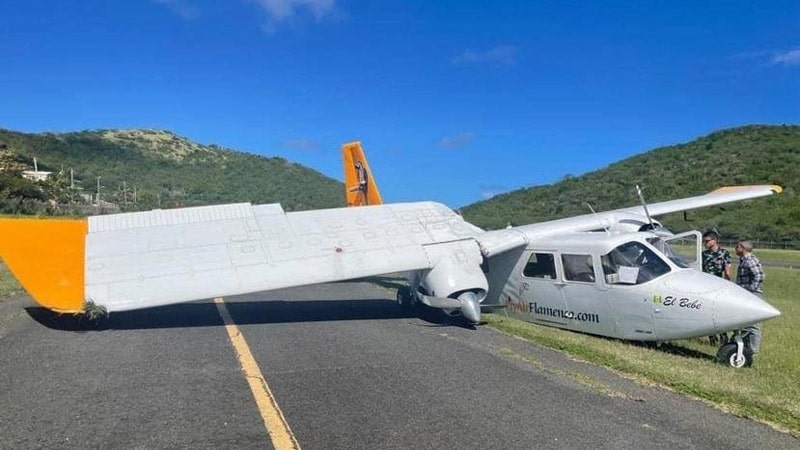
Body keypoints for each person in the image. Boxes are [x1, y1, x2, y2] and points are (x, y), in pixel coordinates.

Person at [701, 230, 731, 345]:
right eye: (704, 241)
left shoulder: (724, 253)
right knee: (707, 313)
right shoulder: (704, 254)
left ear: (714, 240)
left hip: (718, 286)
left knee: (719, 313)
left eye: (707, 241)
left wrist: (727, 286)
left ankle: (724, 338)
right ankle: (712, 339)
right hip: (706, 287)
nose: (705, 243)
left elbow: (727, 272)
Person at [735, 240, 765, 354]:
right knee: (746, 322)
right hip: (746, 294)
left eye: (737, 246)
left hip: (752, 294)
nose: (735, 248)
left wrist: (750, 290)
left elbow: (759, 276)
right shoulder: (743, 260)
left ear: (743, 248)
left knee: (753, 325)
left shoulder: (750, 260)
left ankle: (753, 350)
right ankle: (745, 346)